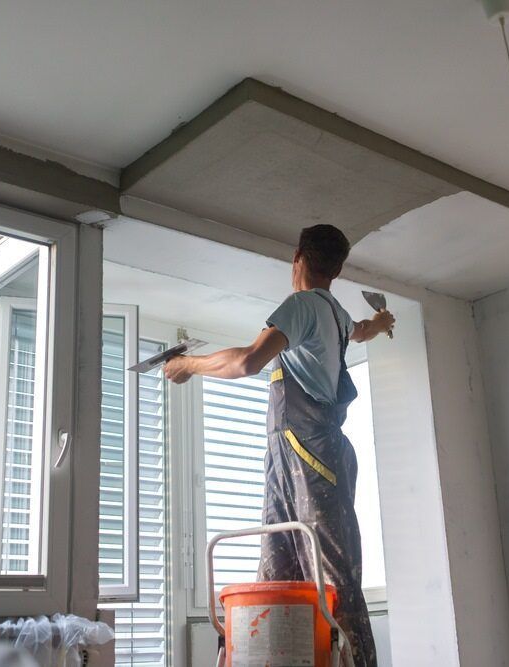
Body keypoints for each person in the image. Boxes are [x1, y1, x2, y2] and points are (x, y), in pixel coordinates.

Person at [164, 224, 394, 666]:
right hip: (291, 457)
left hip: (311, 456)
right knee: (278, 569)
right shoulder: (336, 314)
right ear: (338, 269)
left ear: (298, 259)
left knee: (334, 581)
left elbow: (250, 360)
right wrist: (382, 323)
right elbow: (361, 330)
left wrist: (188, 365)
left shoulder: (302, 305)